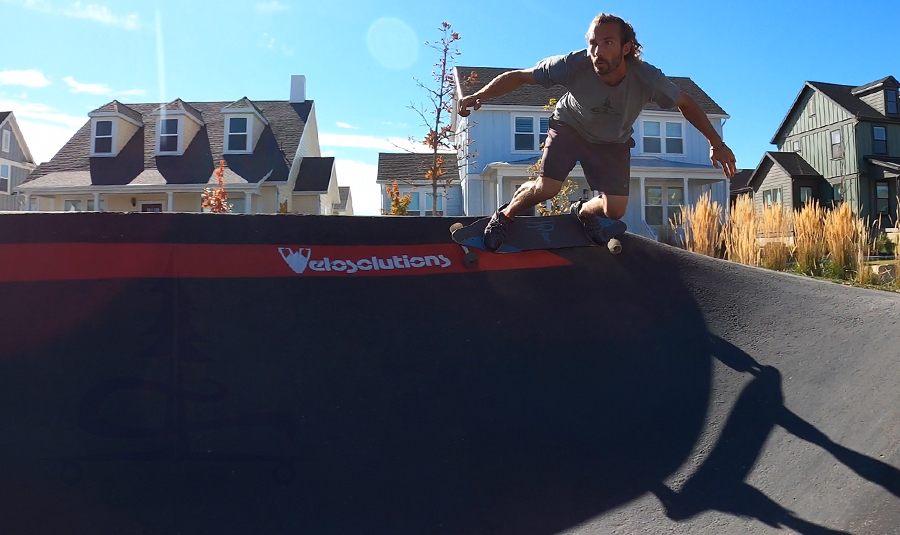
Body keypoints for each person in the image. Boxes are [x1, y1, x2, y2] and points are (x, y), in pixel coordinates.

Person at [457, 13, 737, 251]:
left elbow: (686, 103)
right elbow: (519, 76)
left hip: (612, 142)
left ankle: (581, 211)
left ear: (626, 48)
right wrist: (478, 95)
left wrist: (716, 143)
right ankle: (505, 216)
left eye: (607, 43)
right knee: (548, 188)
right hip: (570, 127)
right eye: (593, 43)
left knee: (615, 210)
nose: (597, 52)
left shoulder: (648, 79)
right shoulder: (571, 64)